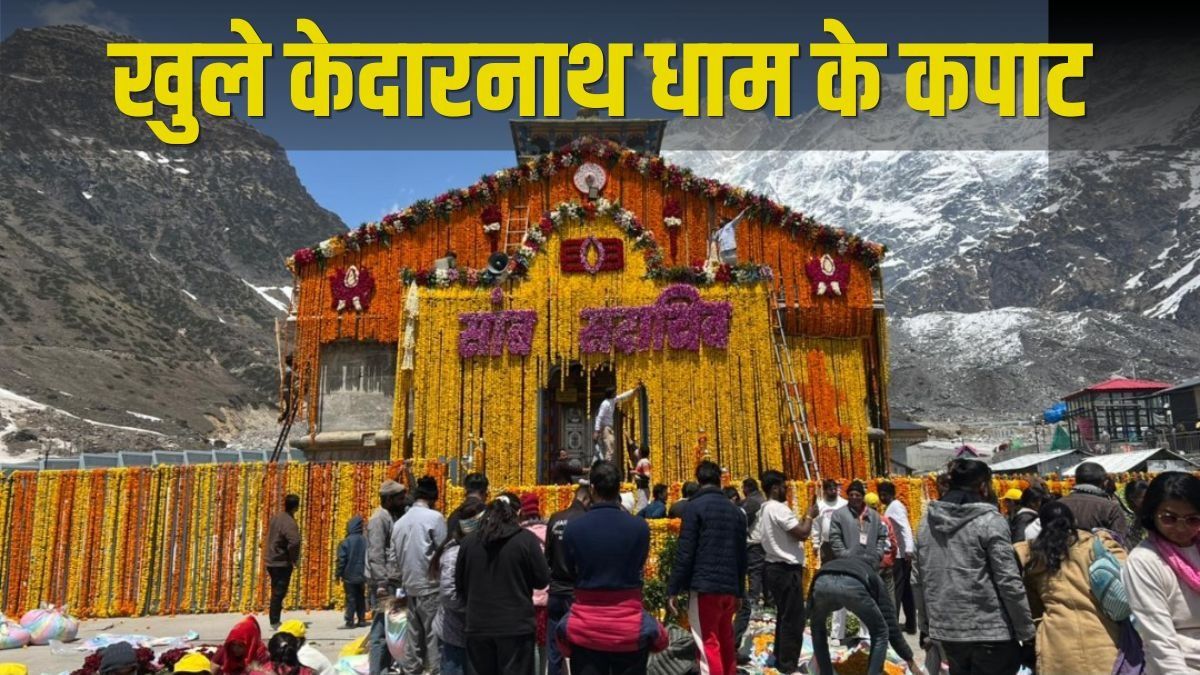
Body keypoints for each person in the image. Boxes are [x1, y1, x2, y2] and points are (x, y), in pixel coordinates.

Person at [912, 459, 1034, 675]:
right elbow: (1008, 581)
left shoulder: (926, 523)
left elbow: (918, 580)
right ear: (983, 487)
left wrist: (925, 626)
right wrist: (1026, 631)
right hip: (990, 632)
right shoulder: (989, 521)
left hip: (949, 631)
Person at [557, 461, 668, 674]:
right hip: (629, 626)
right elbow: (639, 565)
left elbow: (569, 571)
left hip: (586, 627)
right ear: (619, 488)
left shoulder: (575, 528)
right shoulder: (639, 527)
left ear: (592, 489)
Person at [1012, 502, 1125, 674]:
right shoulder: (1096, 546)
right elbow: (1126, 571)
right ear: (1074, 521)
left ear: (1041, 524)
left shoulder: (1033, 557)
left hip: (1056, 643)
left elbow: (1032, 608)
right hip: (1102, 636)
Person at [667, 461, 748, 675]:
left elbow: (685, 551)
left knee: (707, 645)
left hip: (705, 589)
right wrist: (739, 591)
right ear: (719, 480)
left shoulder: (695, 507)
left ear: (698, 480)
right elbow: (742, 555)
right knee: (726, 641)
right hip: (729, 589)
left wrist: (673, 589)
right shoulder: (736, 512)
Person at [456, 494, 551, 674]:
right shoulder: (526, 540)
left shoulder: (468, 543)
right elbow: (542, 580)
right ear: (515, 515)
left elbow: (460, 584)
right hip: (516, 626)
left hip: (478, 625)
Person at [1121, 472, 1200, 674]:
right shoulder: (1145, 561)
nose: (1181, 528)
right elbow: (1159, 640)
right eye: (1169, 518)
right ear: (1151, 514)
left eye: (1192, 520)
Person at [808, 557, 925, 675]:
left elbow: (808, 609)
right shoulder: (874, 576)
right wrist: (910, 661)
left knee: (817, 629)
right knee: (881, 632)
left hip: (821, 581)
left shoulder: (839, 562)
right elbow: (891, 626)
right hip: (852, 584)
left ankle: (826, 672)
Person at [755, 470, 818, 673]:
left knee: (785, 616)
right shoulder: (778, 508)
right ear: (774, 488)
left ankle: (781, 658)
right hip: (785, 570)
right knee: (794, 619)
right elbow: (802, 533)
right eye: (784, 486)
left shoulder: (765, 509)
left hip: (775, 568)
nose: (787, 490)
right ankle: (788, 665)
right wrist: (810, 515)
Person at [392, 475, 447, 675]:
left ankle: (410, 671)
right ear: (433, 498)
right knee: (433, 637)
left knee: (413, 638)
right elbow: (444, 551)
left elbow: (394, 557)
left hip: (409, 587)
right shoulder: (435, 518)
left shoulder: (400, 523)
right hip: (431, 586)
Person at [433, 499, 485, 675]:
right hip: (455, 632)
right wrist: (473, 608)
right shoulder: (454, 555)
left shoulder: (480, 549)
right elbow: (449, 596)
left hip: (473, 632)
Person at [545, 484, 591, 675]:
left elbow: (547, 556)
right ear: (587, 499)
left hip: (556, 590)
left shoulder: (555, 518)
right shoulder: (586, 521)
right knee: (580, 646)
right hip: (576, 592)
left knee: (554, 649)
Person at [367, 480, 407, 674]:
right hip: (383, 583)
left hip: (393, 581)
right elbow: (376, 553)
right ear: (389, 499)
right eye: (399, 498)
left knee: (393, 628)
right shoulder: (379, 519)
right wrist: (381, 583)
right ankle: (377, 670)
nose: (403, 501)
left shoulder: (393, 516)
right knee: (380, 630)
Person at [732, 476, 768, 665]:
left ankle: (754, 599)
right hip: (758, 543)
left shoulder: (753, 502)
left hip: (754, 543)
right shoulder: (760, 500)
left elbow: (741, 520)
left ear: (747, 488)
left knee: (754, 573)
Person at [878, 481, 916, 633]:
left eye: (883, 494)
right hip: (902, 554)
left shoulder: (895, 506)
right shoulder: (893, 506)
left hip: (899, 555)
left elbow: (905, 526)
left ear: (889, 494)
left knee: (897, 592)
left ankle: (893, 626)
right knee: (906, 591)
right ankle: (911, 624)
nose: (882, 497)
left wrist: (908, 548)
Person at [519, 492, 550, 674]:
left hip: (526, 598)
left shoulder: (520, 535)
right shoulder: (549, 531)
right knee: (543, 641)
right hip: (546, 596)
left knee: (530, 643)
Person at [1059, 462, 1128, 539]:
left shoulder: (1058, 505)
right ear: (1105, 483)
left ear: (1076, 480)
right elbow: (1119, 540)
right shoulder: (1111, 507)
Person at [264, 494, 302, 629]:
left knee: (276, 590)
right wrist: (294, 558)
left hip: (271, 559)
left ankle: (275, 618)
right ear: (296, 507)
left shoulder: (276, 518)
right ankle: (274, 621)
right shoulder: (289, 522)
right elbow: (294, 541)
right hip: (281, 561)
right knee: (279, 591)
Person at [593, 383, 642, 462]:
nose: (616, 393)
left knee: (611, 447)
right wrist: (596, 430)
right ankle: (607, 465)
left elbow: (622, 396)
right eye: (614, 392)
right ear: (611, 394)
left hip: (608, 428)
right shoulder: (605, 404)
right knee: (610, 448)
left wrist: (634, 390)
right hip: (606, 428)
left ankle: (606, 463)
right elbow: (599, 417)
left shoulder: (612, 400)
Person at [335, 515, 367, 629]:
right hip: (362, 574)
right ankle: (362, 620)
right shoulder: (365, 540)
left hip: (349, 575)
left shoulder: (346, 542)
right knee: (361, 597)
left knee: (350, 598)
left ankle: (349, 621)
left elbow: (341, 560)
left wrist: (338, 574)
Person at [1121, 479, 1150, 548]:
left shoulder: (1155, 518)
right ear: (1132, 498)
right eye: (1144, 498)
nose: (1150, 501)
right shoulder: (1125, 518)